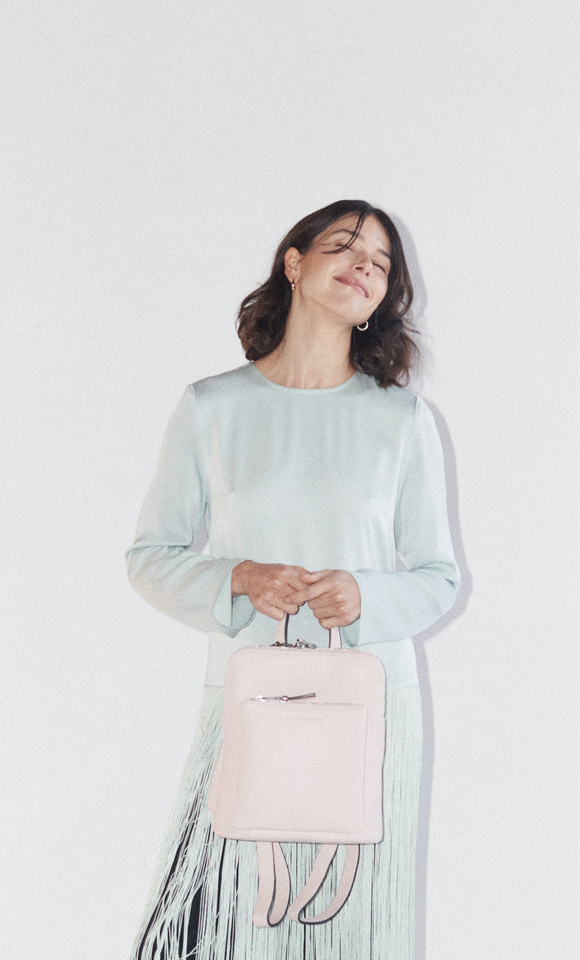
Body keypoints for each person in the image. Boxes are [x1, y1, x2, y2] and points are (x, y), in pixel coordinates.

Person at [125, 199, 460, 960]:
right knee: (221, 926)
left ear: (383, 298)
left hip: (370, 704)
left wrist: (367, 596)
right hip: (250, 700)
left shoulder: (403, 419)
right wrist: (238, 577)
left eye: (381, 263)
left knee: (348, 929)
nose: (364, 265)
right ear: (295, 262)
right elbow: (150, 556)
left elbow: (439, 579)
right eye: (345, 245)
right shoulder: (212, 407)